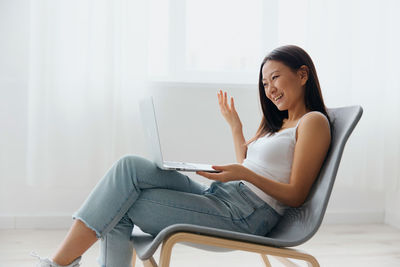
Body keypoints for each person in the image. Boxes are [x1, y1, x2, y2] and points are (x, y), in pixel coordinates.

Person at [33, 45, 331, 267]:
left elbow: (296, 195)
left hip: (244, 215)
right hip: (224, 195)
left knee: (122, 205)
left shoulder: (313, 122)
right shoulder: (278, 125)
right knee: (129, 168)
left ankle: (57, 264)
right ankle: (59, 263)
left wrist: (243, 174)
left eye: (275, 78)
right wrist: (236, 127)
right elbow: (248, 165)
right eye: (265, 84)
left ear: (302, 74)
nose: (269, 90)